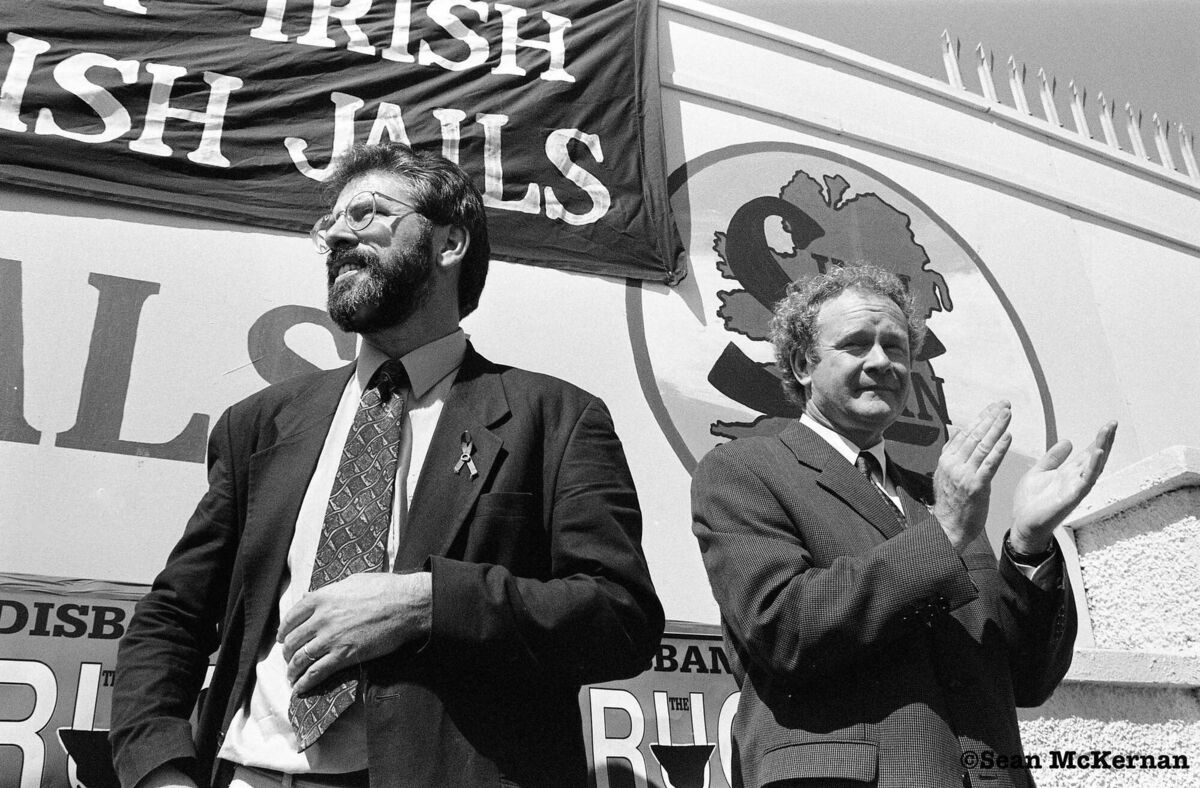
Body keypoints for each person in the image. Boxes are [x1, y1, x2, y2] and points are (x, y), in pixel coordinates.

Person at [110, 142, 665, 788]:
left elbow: (619, 617)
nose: (340, 233)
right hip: (248, 773)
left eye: (368, 212)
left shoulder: (557, 420)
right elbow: (172, 617)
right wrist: (159, 773)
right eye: (331, 224)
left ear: (449, 243)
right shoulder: (259, 426)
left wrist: (426, 603)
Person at [691, 264, 1116, 788]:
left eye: (895, 347)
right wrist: (945, 533)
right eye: (856, 344)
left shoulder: (936, 498)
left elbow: (1027, 681)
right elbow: (786, 629)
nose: (882, 362)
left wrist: (1029, 546)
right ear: (803, 365)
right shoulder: (743, 470)